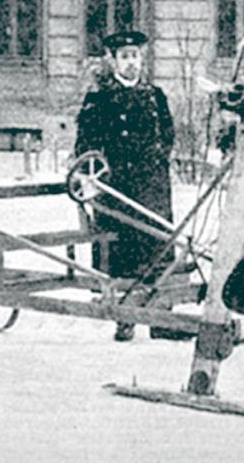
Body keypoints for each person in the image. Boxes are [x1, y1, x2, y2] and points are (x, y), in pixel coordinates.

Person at [74, 30, 179, 342]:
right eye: (124, 57)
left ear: (141, 59)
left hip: (153, 189)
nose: (131, 63)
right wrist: (96, 177)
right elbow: (86, 147)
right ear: (114, 61)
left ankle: (161, 319)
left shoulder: (155, 96)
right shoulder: (99, 99)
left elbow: (168, 134)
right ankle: (124, 318)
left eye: (135, 56)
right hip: (119, 190)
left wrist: (158, 160)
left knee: (158, 250)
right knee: (123, 256)